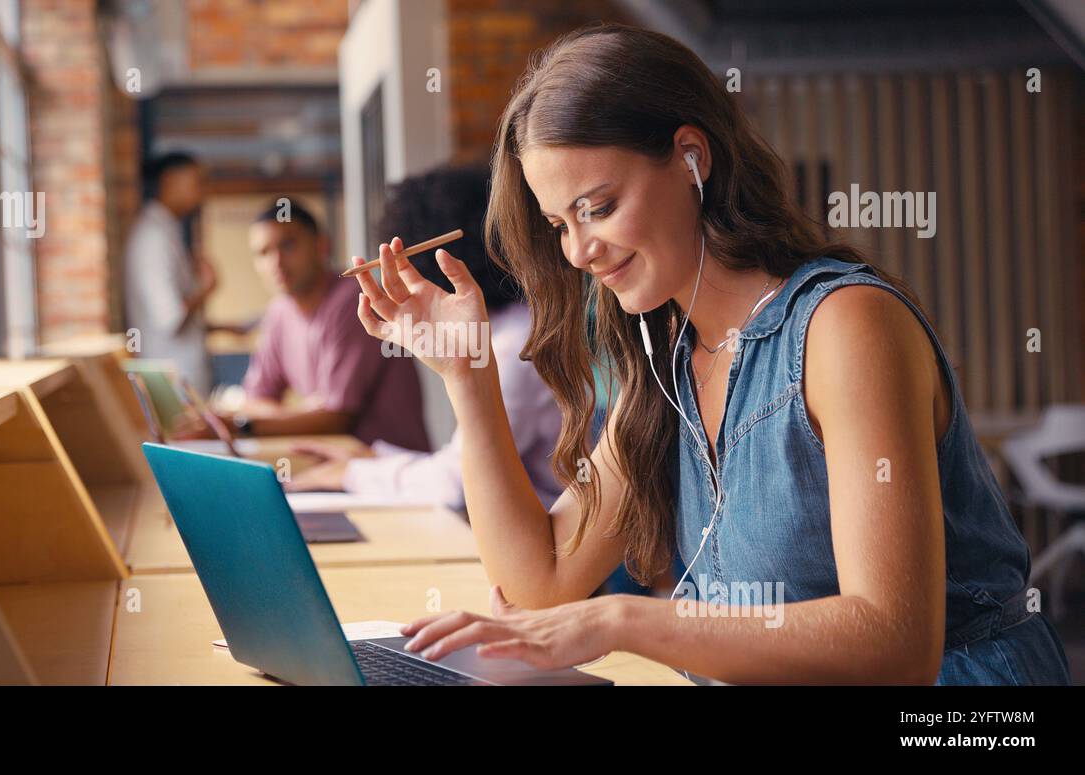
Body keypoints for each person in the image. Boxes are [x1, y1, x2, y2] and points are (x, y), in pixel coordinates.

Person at [350, 24, 1071, 685]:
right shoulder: (669, 359)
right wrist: (467, 376)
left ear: (691, 159)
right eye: (558, 224)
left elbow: (894, 642)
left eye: (598, 207)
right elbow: (540, 580)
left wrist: (619, 619)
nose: (579, 250)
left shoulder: (845, 326)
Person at [290, 167, 564, 510]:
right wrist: (371, 458)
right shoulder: (507, 327)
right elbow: (463, 462)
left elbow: (457, 485)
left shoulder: (517, 346)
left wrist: (353, 474)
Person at [229, 198, 430, 451]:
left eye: (288, 245)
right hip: (334, 469)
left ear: (322, 245)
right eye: (263, 253)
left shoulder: (354, 301)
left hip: (392, 471)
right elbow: (255, 399)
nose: (276, 262)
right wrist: (301, 414)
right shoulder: (279, 312)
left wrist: (242, 426)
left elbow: (336, 418)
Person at [123, 152, 216, 393]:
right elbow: (171, 318)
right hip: (174, 382)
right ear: (170, 180)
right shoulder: (154, 237)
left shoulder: (167, 231)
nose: (202, 191)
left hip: (181, 378)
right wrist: (206, 289)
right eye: (197, 182)